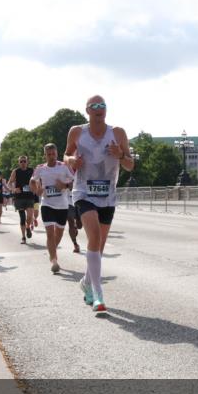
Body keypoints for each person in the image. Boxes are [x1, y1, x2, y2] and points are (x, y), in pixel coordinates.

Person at [65, 95, 134, 313]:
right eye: (94, 106)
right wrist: (71, 161)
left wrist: (120, 154)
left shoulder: (118, 133)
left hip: (108, 195)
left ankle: (86, 282)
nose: (99, 109)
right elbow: (66, 154)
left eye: (102, 105)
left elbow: (130, 165)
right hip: (83, 192)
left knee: (99, 247)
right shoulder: (77, 132)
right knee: (93, 237)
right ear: (87, 110)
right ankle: (97, 294)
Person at [32, 143, 75, 273]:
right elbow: (32, 181)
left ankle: (52, 250)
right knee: (50, 233)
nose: (51, 157)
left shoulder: (64, 166)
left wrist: (65, 186)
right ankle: (54, 260)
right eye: (49, 154)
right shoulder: (40, 168)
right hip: (47, 205)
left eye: (53, 154)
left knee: (59, 233)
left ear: (57, 153)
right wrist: (36, 190)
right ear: (45, 155)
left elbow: (75, 181)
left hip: (62, 205)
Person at [8, 155, 38, 244]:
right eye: (21, 161)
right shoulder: (16, 171)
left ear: (27, 162)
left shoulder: (32, 171)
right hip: (19, 197)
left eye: (24, 161)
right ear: (19, 163)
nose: (23, 163)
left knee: (29, 216)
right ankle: (23, 237)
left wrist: (35, 188)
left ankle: (28, 226)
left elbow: (38, 181)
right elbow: (9, 183)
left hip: (30, 197)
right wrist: (14, 189)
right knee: (22, 217)